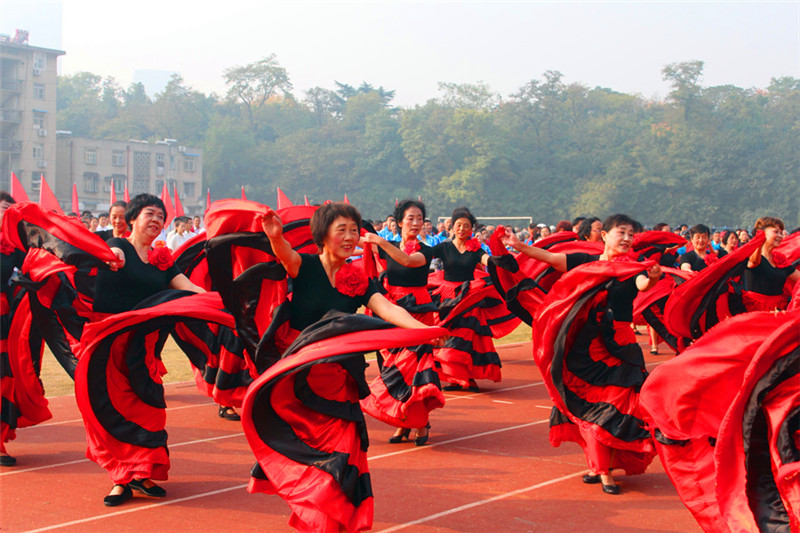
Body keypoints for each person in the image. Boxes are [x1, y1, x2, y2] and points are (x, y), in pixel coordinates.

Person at [502, 214, 661, 494]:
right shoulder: (585, 263)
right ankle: (602, 469)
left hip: (620, 347)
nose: (626, 238)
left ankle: (604, 465)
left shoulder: (633, 268)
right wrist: (519, 246)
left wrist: (650, 280)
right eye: (620, 232)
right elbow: (551, 259)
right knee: (591, 403)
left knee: (622, 405)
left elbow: (641, 285)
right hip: (585, 348)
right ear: (605, 235)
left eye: (631, 234)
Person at [89, 194, 206, 506]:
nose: (156, 220)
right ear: (132, 218)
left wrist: (221, 301)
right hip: (110, 345)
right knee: (114, 408)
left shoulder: (163, 259)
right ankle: (120, 480)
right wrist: (111, 257)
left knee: (148, 408)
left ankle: (142, 473)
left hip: (145, 348)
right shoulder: (119, 248)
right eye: (149, 214)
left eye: (161, 216)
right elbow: (108, 255)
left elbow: (191, 289)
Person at [360, 199, 444, 445]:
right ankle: (403, 422)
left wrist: (380, 242)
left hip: (418, 310)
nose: (416, 223)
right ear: (398, 222)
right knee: (392, 367)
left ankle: (421, 423)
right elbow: (364, 251)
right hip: (391, 309)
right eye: (411, 218)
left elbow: (408, 261)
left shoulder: (426, 250)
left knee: (416, 369)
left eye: (420, 218)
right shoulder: (388, 245)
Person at [431, 206, 517, 392]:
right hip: (446, 298)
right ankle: (456, 378)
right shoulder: (443, 247)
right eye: (459, 225)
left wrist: (500, 261)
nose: (462, 229)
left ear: (471, 230)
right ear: (452, 228)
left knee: (468, 338)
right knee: (447, 337)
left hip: (469, 298)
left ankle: (468, 377)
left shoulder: (475, 249)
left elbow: (486, 259)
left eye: (466, 226)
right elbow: (422, 257)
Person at [0, 191, 24, 466]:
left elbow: (34, 263)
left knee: (3, 377)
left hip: (3, 314)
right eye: (5, 208)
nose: (8, 213)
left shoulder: (12, 245)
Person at [743, 216, 800, 311]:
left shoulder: (780, 259)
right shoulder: (752, 255)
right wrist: (759, 241)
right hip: (756, 311)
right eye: (776, 232)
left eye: (781, 233)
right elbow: (753, 262)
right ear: (761, 233)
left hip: (778, 309)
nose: (780, 236)